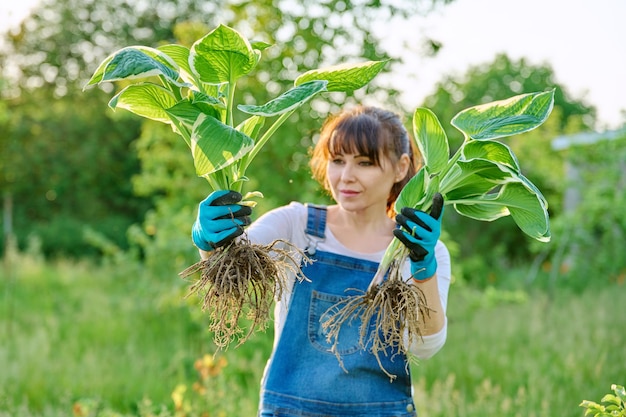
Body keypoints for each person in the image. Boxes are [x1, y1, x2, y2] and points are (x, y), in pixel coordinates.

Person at [191, 106, 451, 417]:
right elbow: (233, 279)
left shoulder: (420, 249)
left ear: (400, 167)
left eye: (364, 163)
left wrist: (422, 268)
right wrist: (211, 244)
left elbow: (425, 346)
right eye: (338, 161)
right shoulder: (297, 226)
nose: (346, 176)